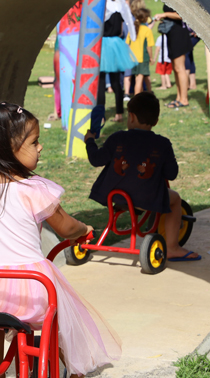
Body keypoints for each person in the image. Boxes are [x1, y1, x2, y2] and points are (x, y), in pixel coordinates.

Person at [0, 102, 121, 378]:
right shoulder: (34, 189)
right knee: (61, 313)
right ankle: (74, 364)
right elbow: (65, 228)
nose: (40, 148)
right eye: (34, 142)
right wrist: (84, 230)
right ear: (8, 148)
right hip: (32, 282)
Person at [84, 92, 200, 262]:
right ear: (156, 121)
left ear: (131, 116)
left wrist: (90, 141)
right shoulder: (162, 144)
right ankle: (173, 248)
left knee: (131, 194)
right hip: (147, 198)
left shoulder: (117, 138)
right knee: (175, 199)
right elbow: (171, 174)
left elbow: (96, 160)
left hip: (115, 195)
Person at [99, 0, 137, 122]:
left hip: (103, 44)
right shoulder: (119, 6)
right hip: (116, 44)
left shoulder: (103, 7)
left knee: (101, 82)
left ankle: (101, 115)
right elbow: (124, 27)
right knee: (116, 82)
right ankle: (120, 113)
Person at [153, 4, 192, 108]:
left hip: (179, 34)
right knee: (176, 68)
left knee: (180, 68)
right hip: (172, 35)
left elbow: (182, 15)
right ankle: (179, 98)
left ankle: (184, 100)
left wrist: (164, 14)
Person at [126, 8, 155, 95]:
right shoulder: (147, 30)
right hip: (142, 58)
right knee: (139, 78)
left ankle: (148, 93)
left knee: (142, 77)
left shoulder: (132, 30)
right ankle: (137, 97)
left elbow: (128, 44)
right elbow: (149, 47)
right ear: (146, 18)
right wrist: (151, 57)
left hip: (133, 58)